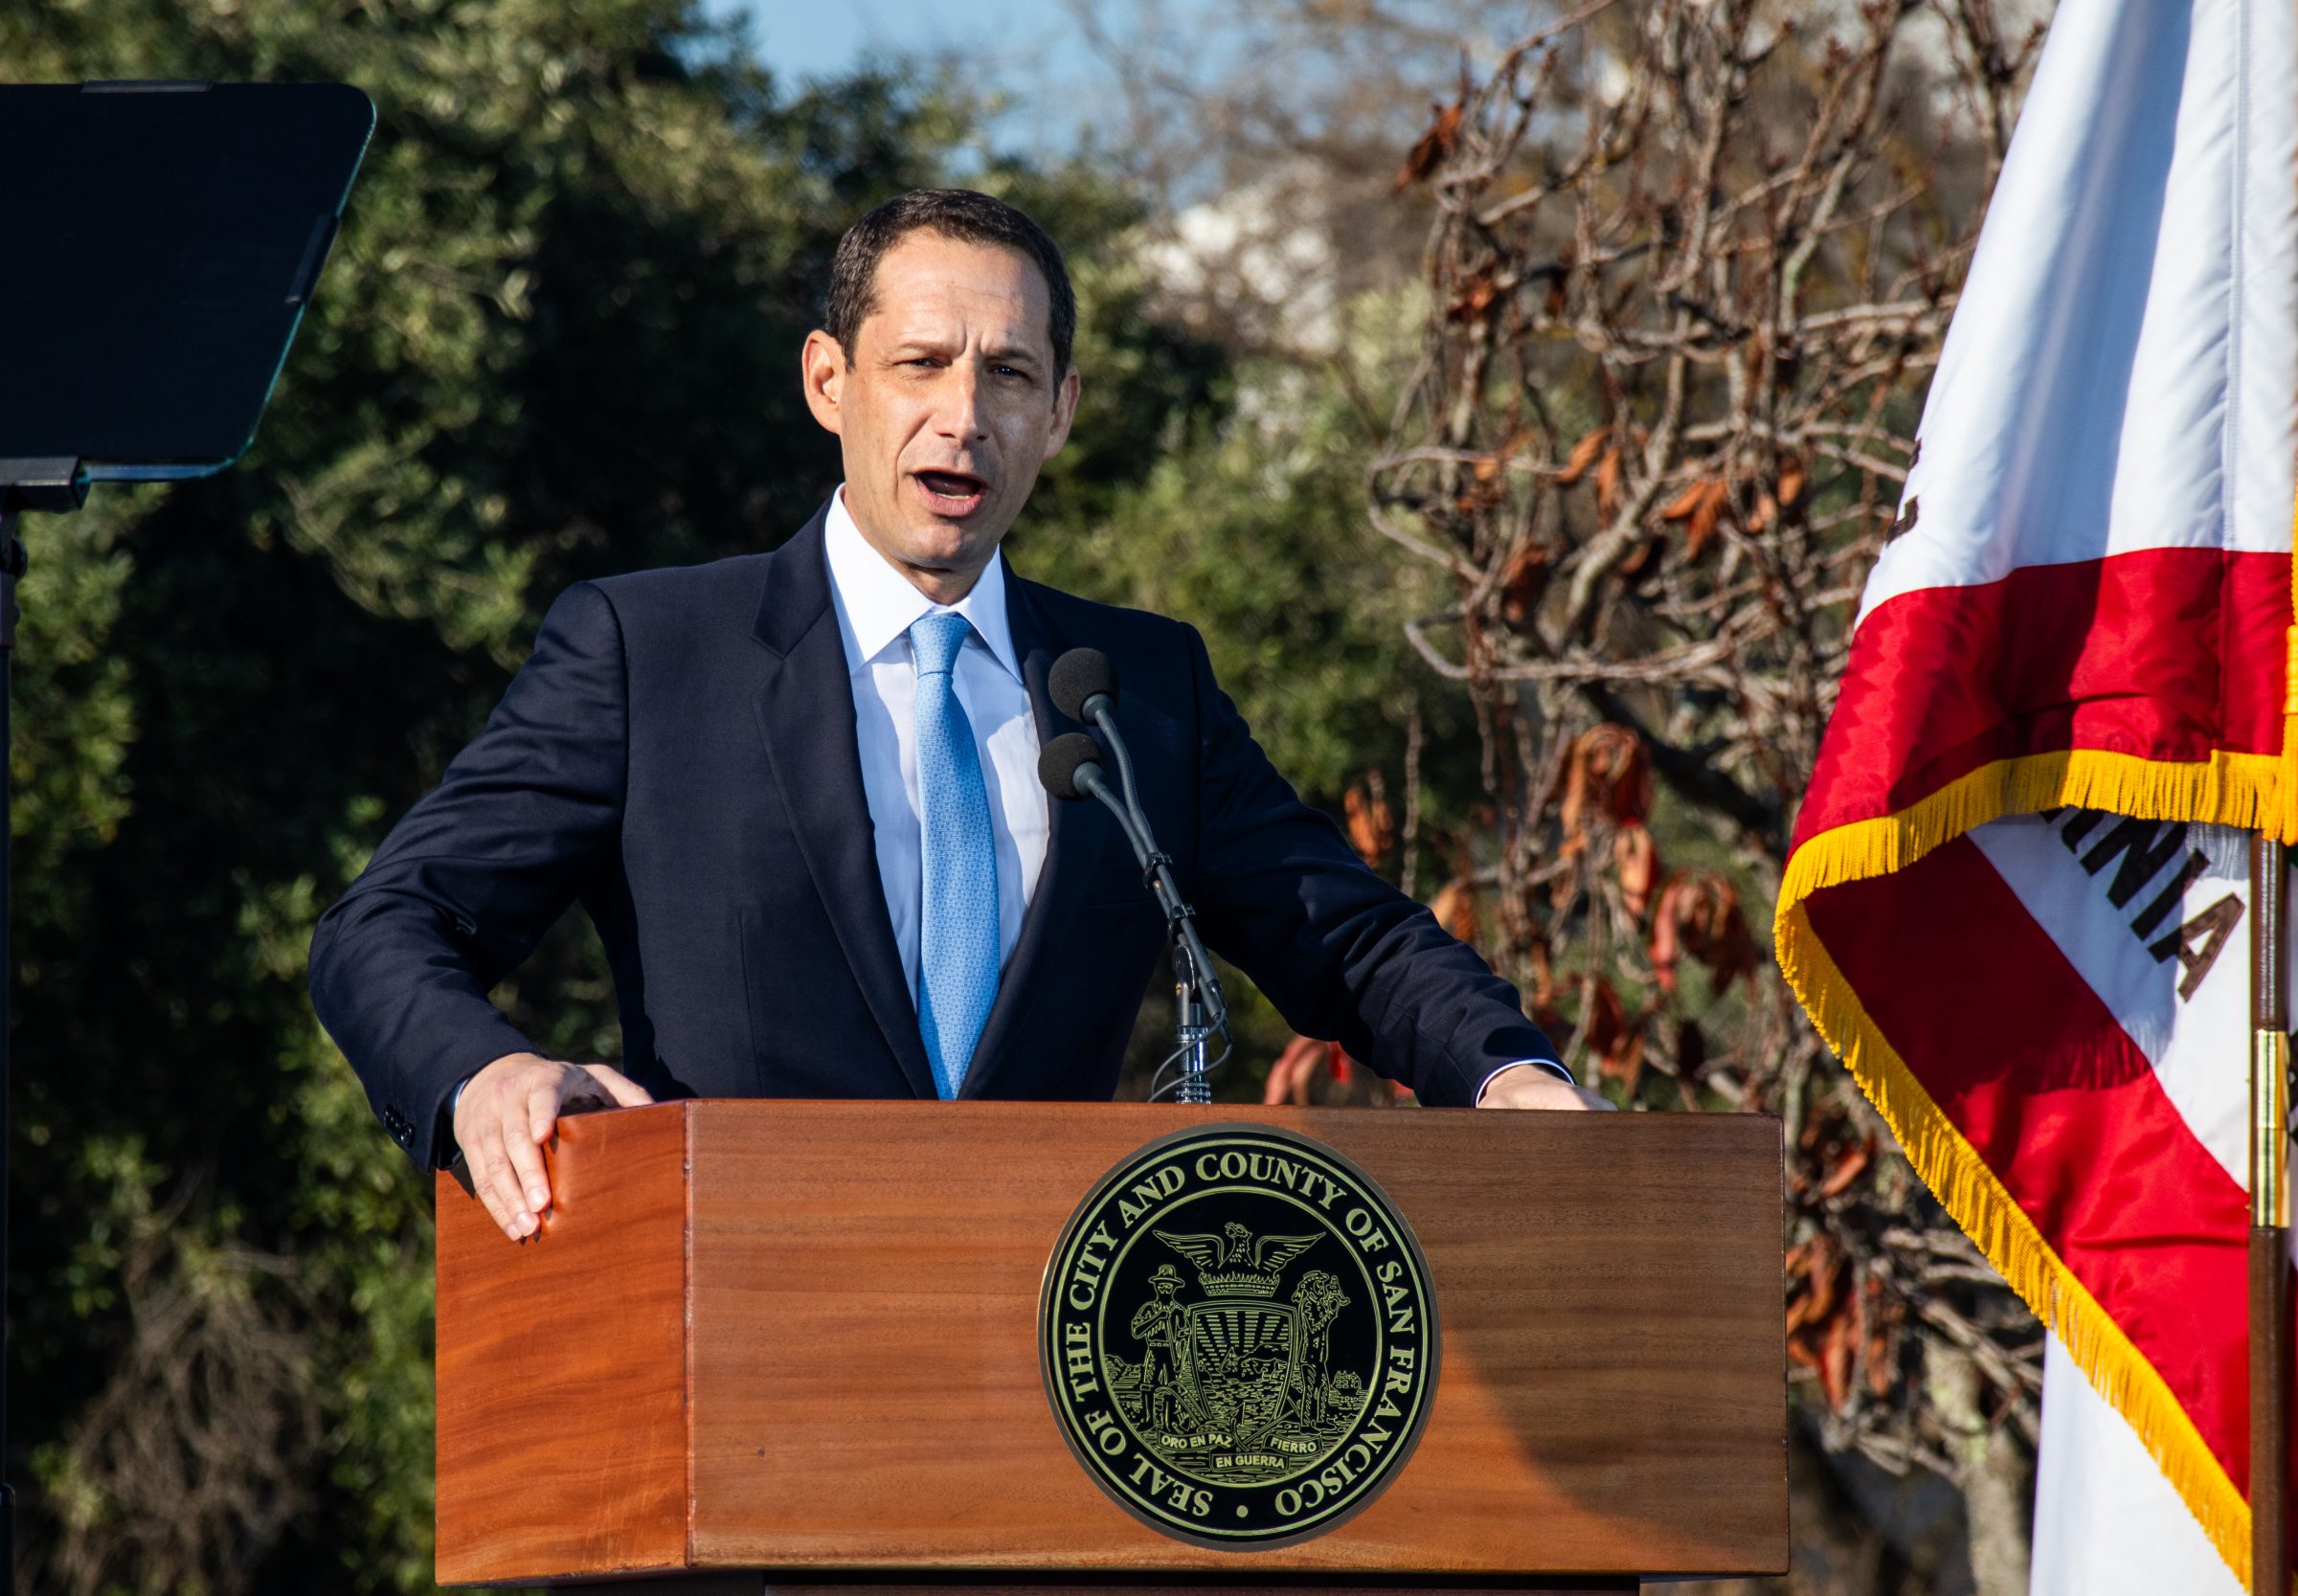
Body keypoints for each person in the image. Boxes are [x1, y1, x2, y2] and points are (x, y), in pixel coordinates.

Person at [307, 189, 1603, 1244]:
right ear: (830, 381)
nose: (964, 417)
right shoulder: (652, 654)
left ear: (1062, 414)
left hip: (1042, 1400)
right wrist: (483, 1074)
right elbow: (388, 923)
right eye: (919, 364)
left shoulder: (1137, 691)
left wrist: (1507, 1075)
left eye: (1011, 375)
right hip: (734, 1351)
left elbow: (1348, 939)